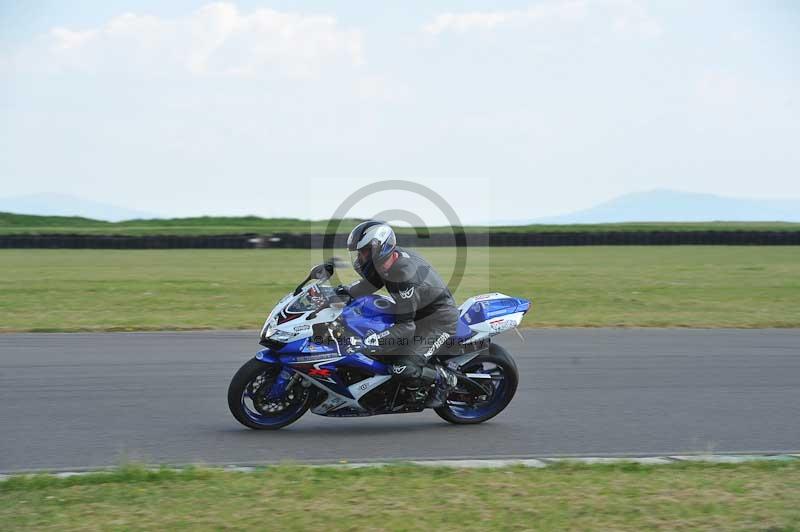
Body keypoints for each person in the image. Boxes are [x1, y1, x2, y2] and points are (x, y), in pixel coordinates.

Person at [335, 220, 459, 407]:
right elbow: (371, 284)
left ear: (380, 248)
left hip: (438, 321)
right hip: (416, 313)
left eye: (364, 252)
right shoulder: (385, 262)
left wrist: (374, 340)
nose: (360, 258)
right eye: (359, 253)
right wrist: (341, 292)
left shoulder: (403, 277)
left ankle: (445, 379)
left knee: (402, 367)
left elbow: (406, 327)